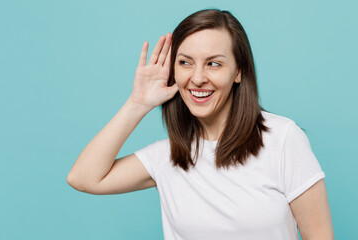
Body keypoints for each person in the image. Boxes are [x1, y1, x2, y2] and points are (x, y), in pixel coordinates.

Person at [67, 9, 334, 240]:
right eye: (185, 63)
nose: (197, 78)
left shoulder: (283, 138)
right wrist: (138, 104)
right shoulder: (167, 156)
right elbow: (83, 178)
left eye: (213, 64)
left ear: (238, 71)